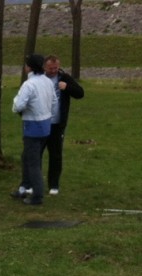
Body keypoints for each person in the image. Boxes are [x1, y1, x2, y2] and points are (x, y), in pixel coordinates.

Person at [11, 53, 56, 206]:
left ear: (29, 67)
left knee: (33, 162)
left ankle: (37, 195)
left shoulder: (29, 84)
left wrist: (17, 103)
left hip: (32, 127)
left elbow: (18, 105)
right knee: (26, 157)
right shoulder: (48, 82)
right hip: (45, 126)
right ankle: (24, 186)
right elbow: (54, 101)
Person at [41, 55, 84, 196]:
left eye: (55, 68)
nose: (53, 71)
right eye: (50, 68)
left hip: (57, 125)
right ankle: (32, 182)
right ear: (44, 67)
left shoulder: (64, 77)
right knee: (36, 153)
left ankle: (54, 184)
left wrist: (67, 87)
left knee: (56, 155)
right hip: (41, 122)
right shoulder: (39, 79)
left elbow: (80, 93)